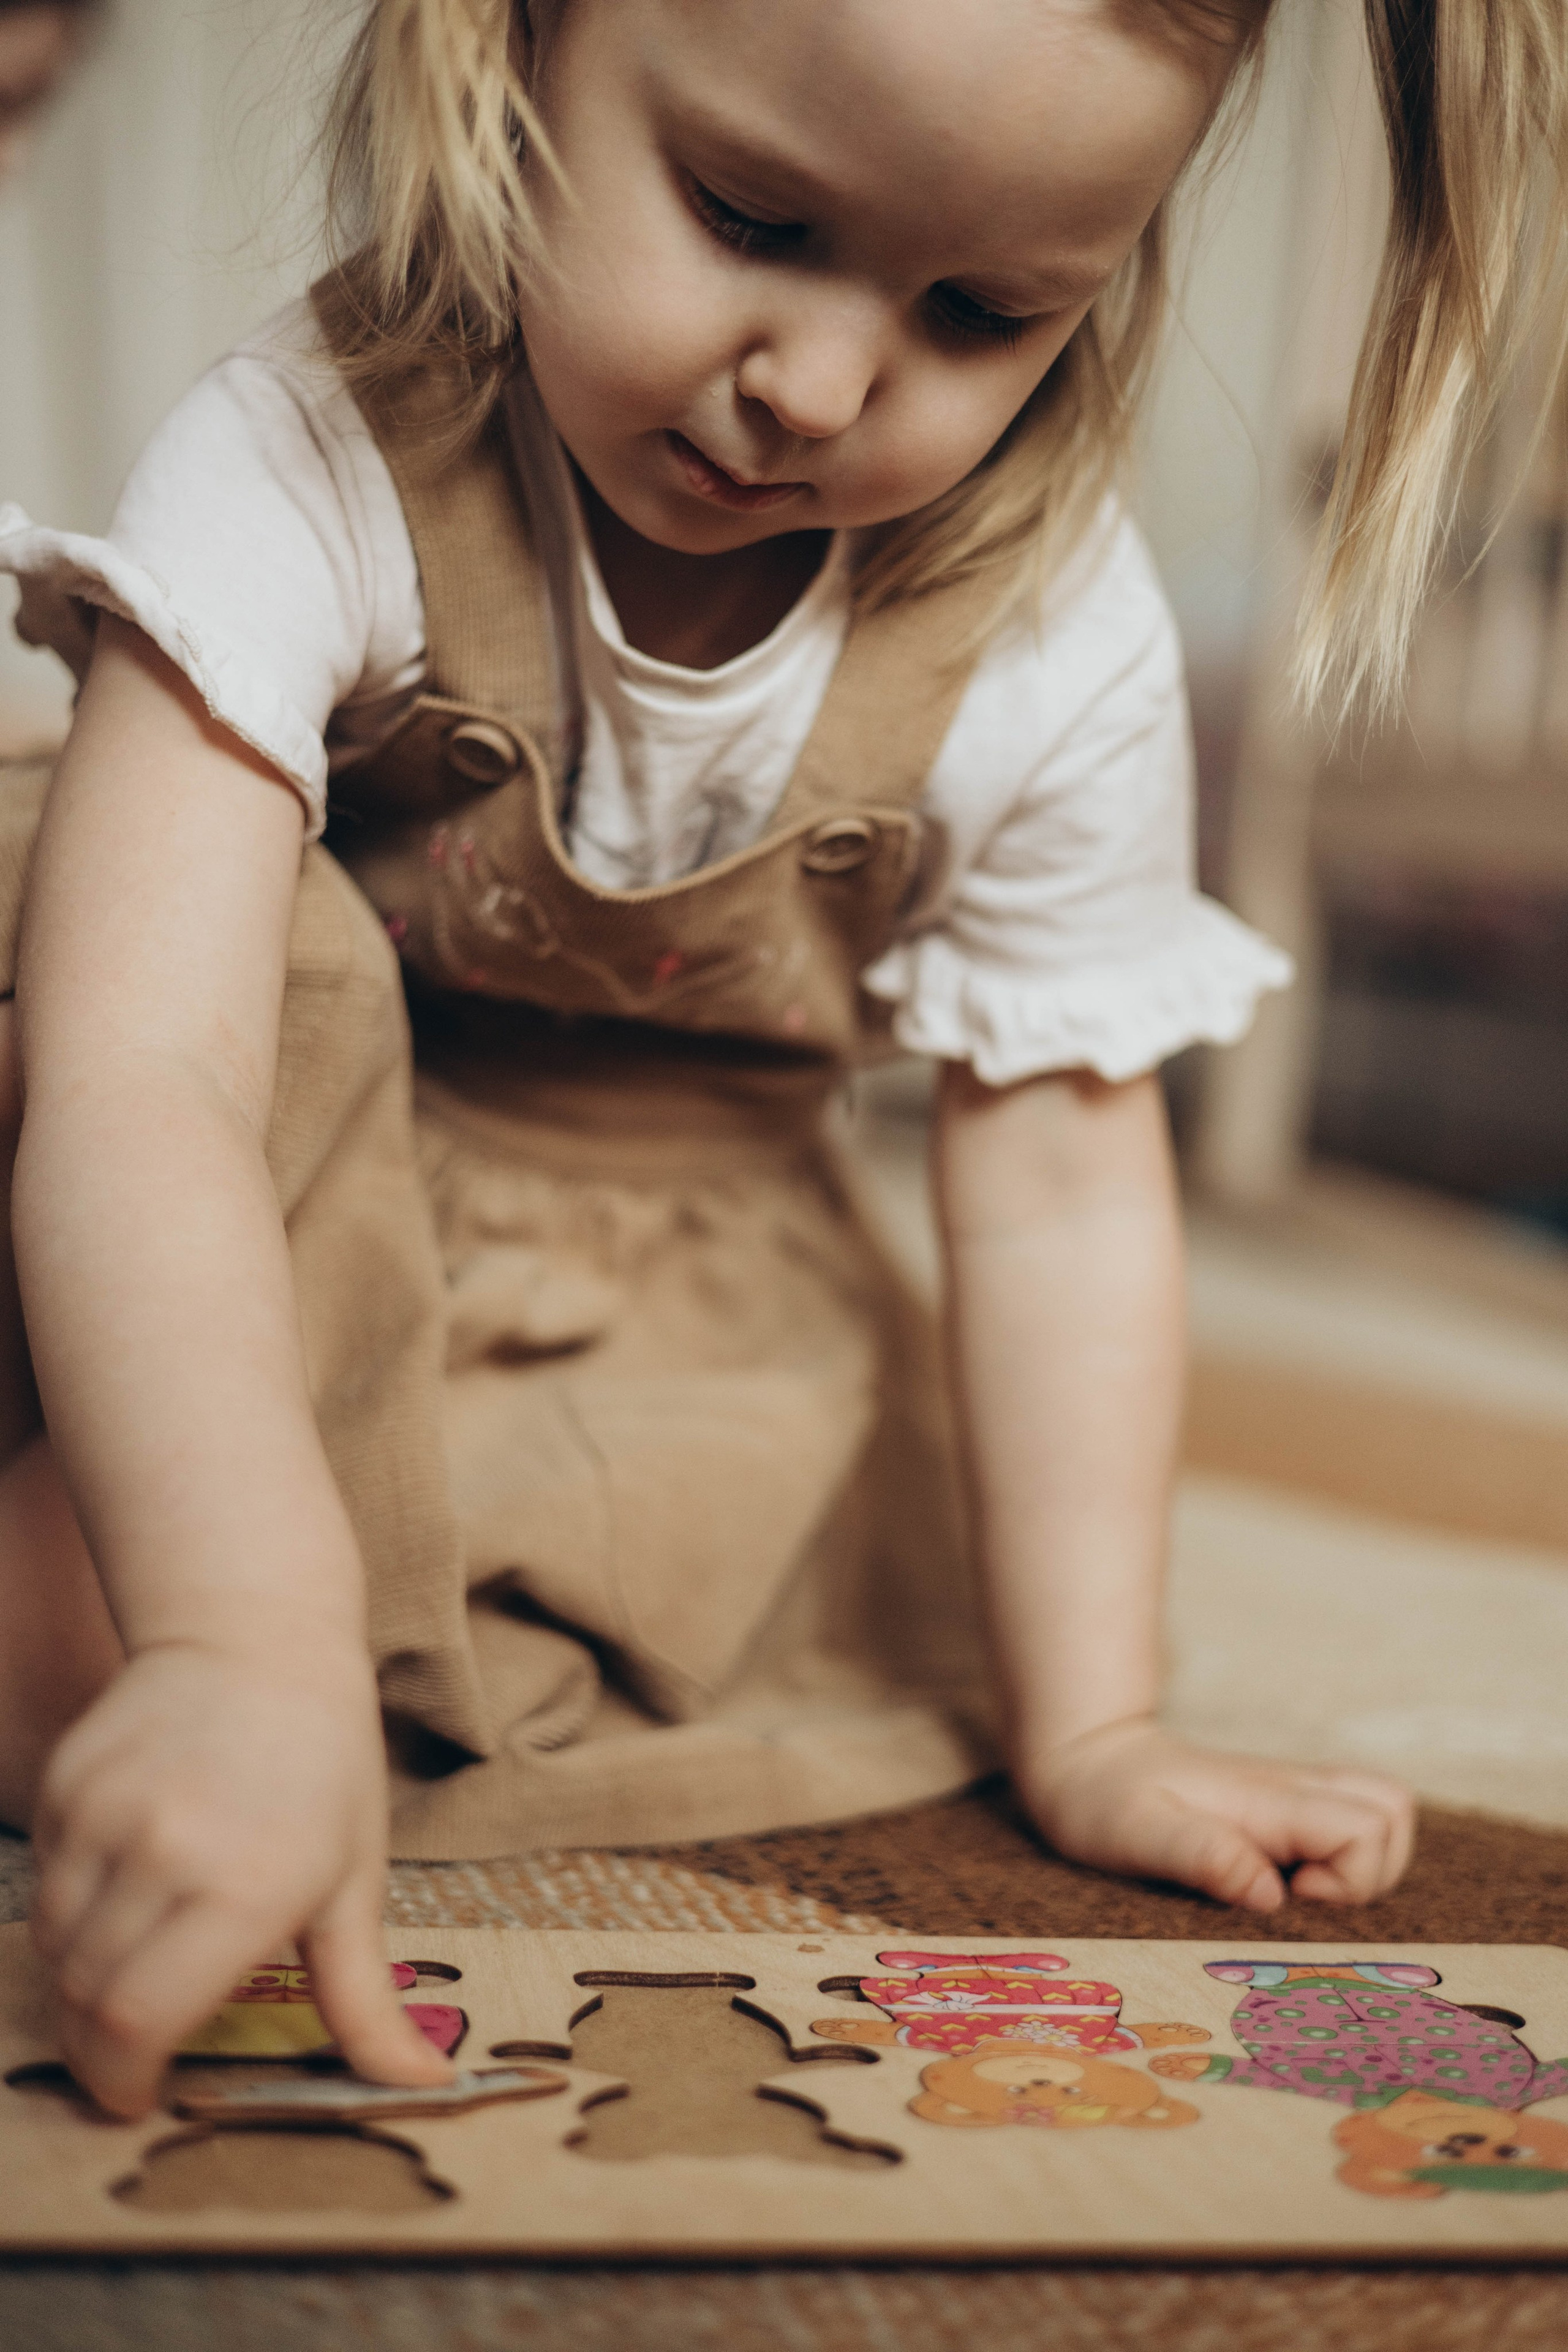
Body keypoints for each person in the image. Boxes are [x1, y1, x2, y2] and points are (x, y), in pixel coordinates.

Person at [0, 0, 1555, 2121]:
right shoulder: (315, 446)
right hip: (250, 1201)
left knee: (265, 1688)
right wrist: (232, 1643)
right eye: (746, 213)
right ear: (511, 46)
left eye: (986, 309)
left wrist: (1093, 1723)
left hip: (663, 1288)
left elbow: (1065, 1189)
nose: (816, 387)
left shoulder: (1043, 627)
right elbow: (144, 1077)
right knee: (150, 1607)